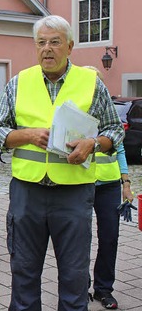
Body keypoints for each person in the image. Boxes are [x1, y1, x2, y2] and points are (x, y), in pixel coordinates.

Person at [0, 15, 124, 311]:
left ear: (70, 46)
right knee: (23, 272)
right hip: (28, 192)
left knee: (75, 276)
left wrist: (93, 144)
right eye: (41, 43)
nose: (46, 49)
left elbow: (114, 129)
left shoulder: (90, 83)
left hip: (74, 194)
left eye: (54, 42)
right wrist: (25, 135)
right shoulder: (18, 83)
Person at [83, 66, 134, 310]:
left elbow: (120, 148)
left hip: (109, 185)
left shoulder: (110, 112)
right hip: (81, 184)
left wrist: (126, 182)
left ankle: (104, 289)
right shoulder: (75, 111)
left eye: (97, 83)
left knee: (110, 238)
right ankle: (80, 286)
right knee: (79, 239)